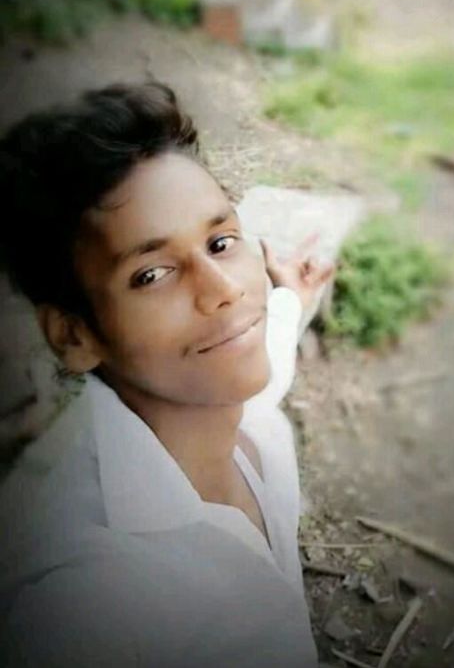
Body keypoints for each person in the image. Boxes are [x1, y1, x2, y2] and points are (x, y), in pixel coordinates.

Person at [0, 83, 333, 667]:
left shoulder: (228, 392)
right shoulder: (88, 607)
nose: (225, 290)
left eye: (220, 242)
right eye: (152, 275)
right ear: (74, 335)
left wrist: (290, 299)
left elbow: (269, 342)